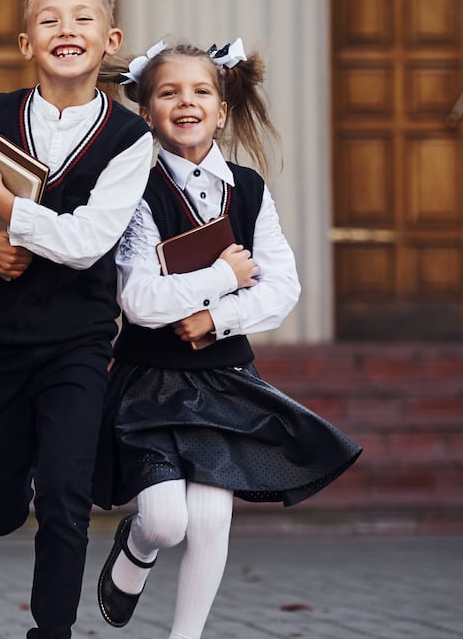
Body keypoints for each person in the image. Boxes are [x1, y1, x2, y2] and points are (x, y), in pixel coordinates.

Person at [92, 38, 361, 638]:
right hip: (149, 381)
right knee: (165, 520)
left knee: (211, 519)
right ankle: (136, 549)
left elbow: (281, 286)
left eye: (200, 92)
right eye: (169, 92)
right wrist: (222, 277)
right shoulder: (135, 191)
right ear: (147, 111)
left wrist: (215, 318)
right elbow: (137, 299)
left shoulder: (249, 189)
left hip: (224, 380)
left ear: (222, 110)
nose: (185, 102)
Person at [0, 0, 152, 639]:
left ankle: (51, 630)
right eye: (50, 18)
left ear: (109, 41)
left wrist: (6, 203)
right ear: (27, 42)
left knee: (66, 496)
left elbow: (89, 240)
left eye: (84, 17)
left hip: (77, 344)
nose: (68, 27)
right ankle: (14, 469)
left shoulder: (129, 139)